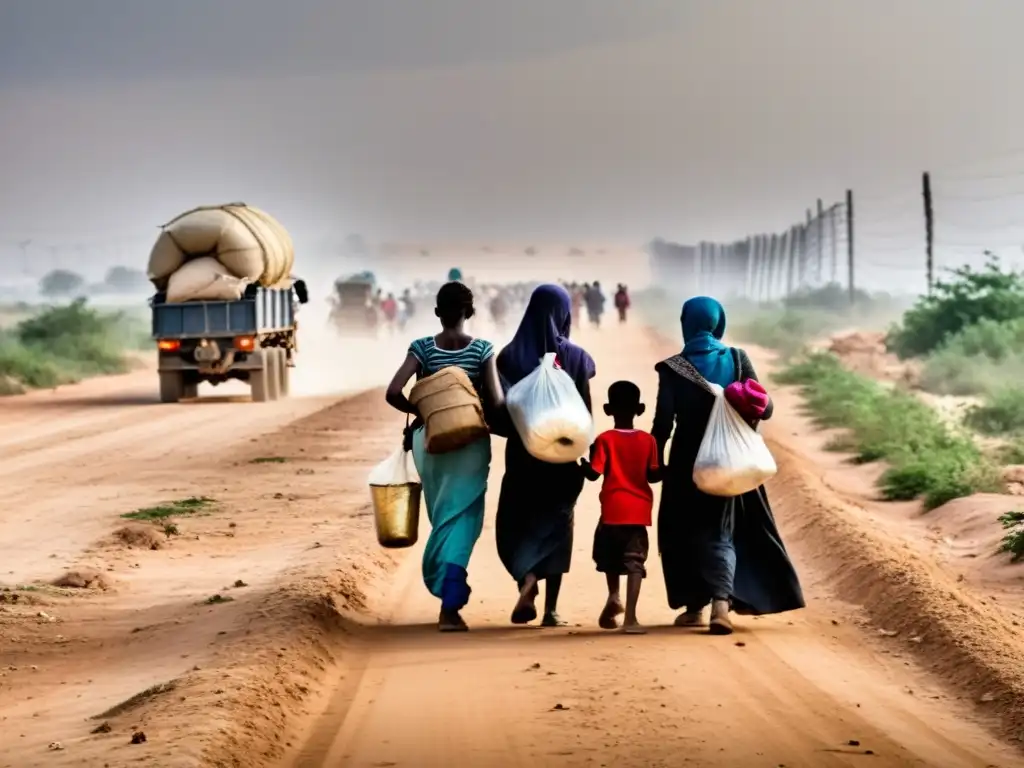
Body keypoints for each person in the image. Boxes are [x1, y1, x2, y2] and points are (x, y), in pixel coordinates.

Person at [652, 296, 805, 635]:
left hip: (686, 465)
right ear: (717, 322)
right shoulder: (737, 359)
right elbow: (765, 408)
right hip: (730, 462)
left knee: (683, 531)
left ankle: (699, 606)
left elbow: (663, 424)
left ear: (686, 323)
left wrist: (655, 462)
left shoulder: (672, 368)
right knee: (722, 529)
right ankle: (720, 603)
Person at [385, 282, 505, 632]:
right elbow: (496, 403)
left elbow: (393, 392)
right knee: (464, 517)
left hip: (431, 444)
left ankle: (446, 594)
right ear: (470, 312)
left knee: (442, 515)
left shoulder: (422, 348)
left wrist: (424, 413)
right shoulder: (483, 350)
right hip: (470, 445)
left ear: (438, 312)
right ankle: (450, 604)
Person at [496, 283, 596, 627]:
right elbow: (586, 411)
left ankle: (526, 580)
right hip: (564, 458)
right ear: (563, 314)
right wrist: (591, 455)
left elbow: (501, 411)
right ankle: (551, 610)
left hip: (522, 458)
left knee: (518, 522)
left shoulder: (509, 356)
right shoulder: (577, 358)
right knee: (557, 527)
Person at [580, 381, 661, 634]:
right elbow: (653, 476)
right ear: (641, 409)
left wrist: (583, 463)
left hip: (611, 513)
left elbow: (594, 474)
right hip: (638, 514)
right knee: (634, 562)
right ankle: (631, 618)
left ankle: (614, 595)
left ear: (607, 409)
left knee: (610, 558)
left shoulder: (604, 440)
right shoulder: (649, 441)